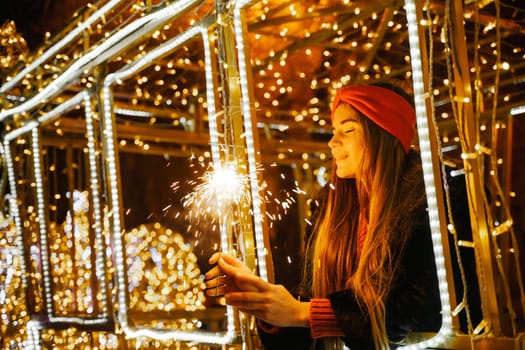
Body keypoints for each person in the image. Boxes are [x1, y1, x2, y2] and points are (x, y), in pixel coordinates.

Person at [205, 84, 443, 349]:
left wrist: (301, 312)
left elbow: (419, 308)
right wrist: (266, 303)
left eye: (348, 130)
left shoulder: (428, 198)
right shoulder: (328, 209)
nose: (333, 142)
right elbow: (315, 310)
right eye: (334, 131)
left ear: (385, 134)